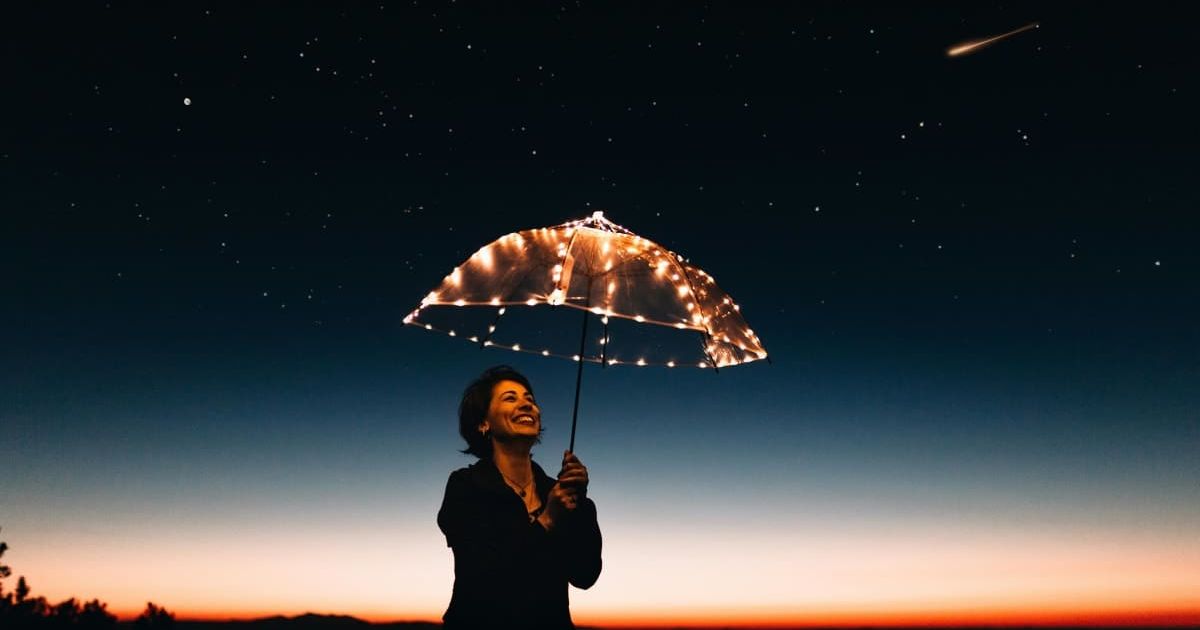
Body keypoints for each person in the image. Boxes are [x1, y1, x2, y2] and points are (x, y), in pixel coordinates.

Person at [437, 365, 602, 629]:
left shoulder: (555, 492)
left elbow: (584, 575)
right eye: (510, 398)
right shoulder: (466, 486)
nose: (527, 405)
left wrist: (579, 502)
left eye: (530, 400)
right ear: (483, 423)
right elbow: (484, 576)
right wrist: (547, 521)